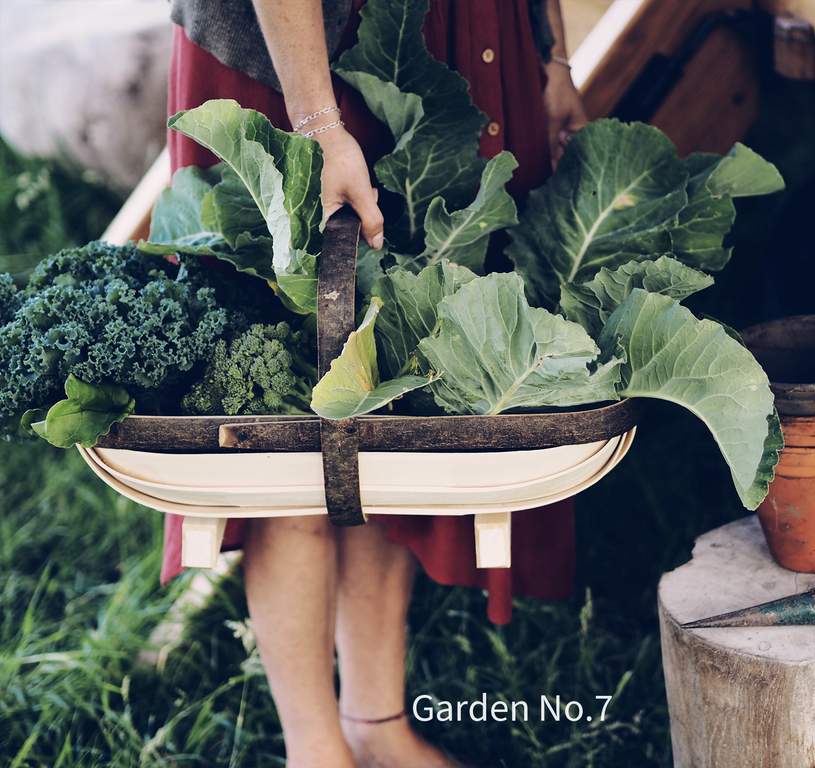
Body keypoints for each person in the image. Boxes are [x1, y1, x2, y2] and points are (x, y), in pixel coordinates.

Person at [163, 0, 588, 765]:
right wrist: (318, 121)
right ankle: (314, 749)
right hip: (294, 47)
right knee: (287, 412)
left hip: (458, 28)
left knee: (405, 386)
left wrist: (551, 51)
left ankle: (374, 723)